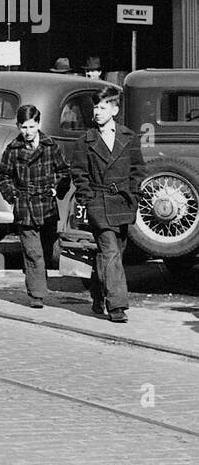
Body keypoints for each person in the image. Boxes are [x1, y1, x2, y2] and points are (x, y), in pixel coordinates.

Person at [68, 83, 145, 324]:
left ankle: (98, 293)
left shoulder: (129, 137)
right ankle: (118, 306)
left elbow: (138, 169)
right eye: (95, 108)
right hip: (99, 204)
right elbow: (78, 172)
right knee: (110, 251)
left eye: (102, 107)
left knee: (110, 255)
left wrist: (134, 194)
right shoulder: (86, 140)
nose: (97, 112)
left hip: (122, 203)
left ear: (114, 109)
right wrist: (87, 198)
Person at [0, 105, 72, 308]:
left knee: (46, 252)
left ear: (38, 124)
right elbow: (2, 176)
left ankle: (36, 278)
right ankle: (36, 294)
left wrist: (56, 189)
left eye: (31, 126)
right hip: (24, 206)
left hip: (47, 206)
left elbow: (65, 171)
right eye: (23, 127)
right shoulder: (13, 149)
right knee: (33, 252)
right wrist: (13, 196)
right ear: (18, 126)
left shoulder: (50, 146)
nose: (27, 131)